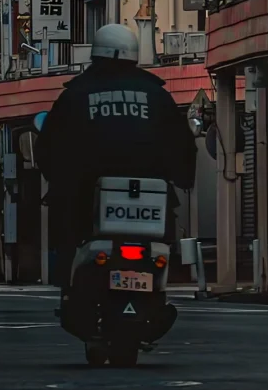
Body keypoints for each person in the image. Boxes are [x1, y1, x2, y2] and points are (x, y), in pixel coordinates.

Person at [34, 23, 196, 289]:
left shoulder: (76, 95)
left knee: (67, 230)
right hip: (150, 203)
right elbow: (182, 144)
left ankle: (68, 285)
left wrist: (61, 181)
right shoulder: (157, 95)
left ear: (96, 54)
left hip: (86, 203)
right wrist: (182, 177)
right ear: (134, 54)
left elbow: (50, 147)